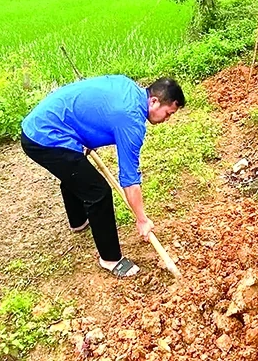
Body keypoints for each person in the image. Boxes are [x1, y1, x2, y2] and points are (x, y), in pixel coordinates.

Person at [20, 76, 186, 278]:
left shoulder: (129, 87)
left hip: (46, 120)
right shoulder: (131, 121)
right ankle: (110, 259)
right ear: (154, 102)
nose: (167, 119)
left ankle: (78, 221)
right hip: (44, 136)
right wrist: (142, 219)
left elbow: (97, 105)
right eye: (168, 113)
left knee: (76, 173)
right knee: (97, 191)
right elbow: (129, 179)